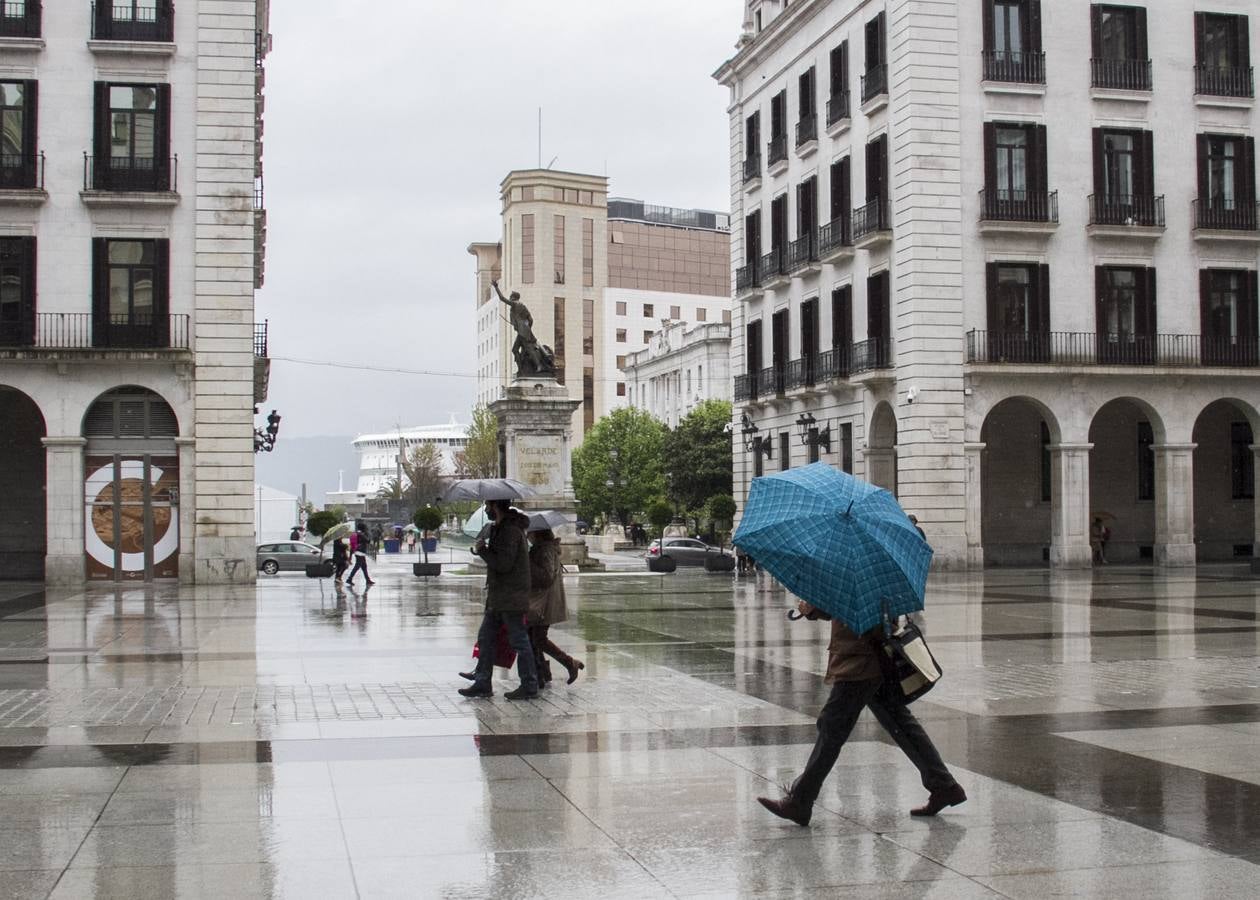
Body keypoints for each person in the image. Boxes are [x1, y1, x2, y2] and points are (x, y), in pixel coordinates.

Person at [757, 600, 965, 826]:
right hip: (870, 654)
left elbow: (854, 607)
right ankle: (944, 785)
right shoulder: (872, 572)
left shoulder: (862, 575)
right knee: (898, 721)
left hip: (861, 658)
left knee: (832, 725)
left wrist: (813, 608)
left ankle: (800, 801)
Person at [460, 499, 539, 700]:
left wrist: (483, 551)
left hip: (511, 596)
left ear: (495, 506)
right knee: (486, 638)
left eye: (488, 506)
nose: (486, 510)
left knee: (519, 640)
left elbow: (503, 564)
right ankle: (482, 682)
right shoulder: (501, 528)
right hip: (499, 595)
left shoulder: (511, 531)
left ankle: (529, 684)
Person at [526, 528, 584, 687]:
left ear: (538, 534)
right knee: (533, 638)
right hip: (541, 601)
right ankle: (543, 673)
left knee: (538, 638)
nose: (528, 536)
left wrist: (528, 562)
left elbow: (546, 577)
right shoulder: (541, 549)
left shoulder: (546, 550)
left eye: (530, 533)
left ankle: (568, 663)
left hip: (543, 602)